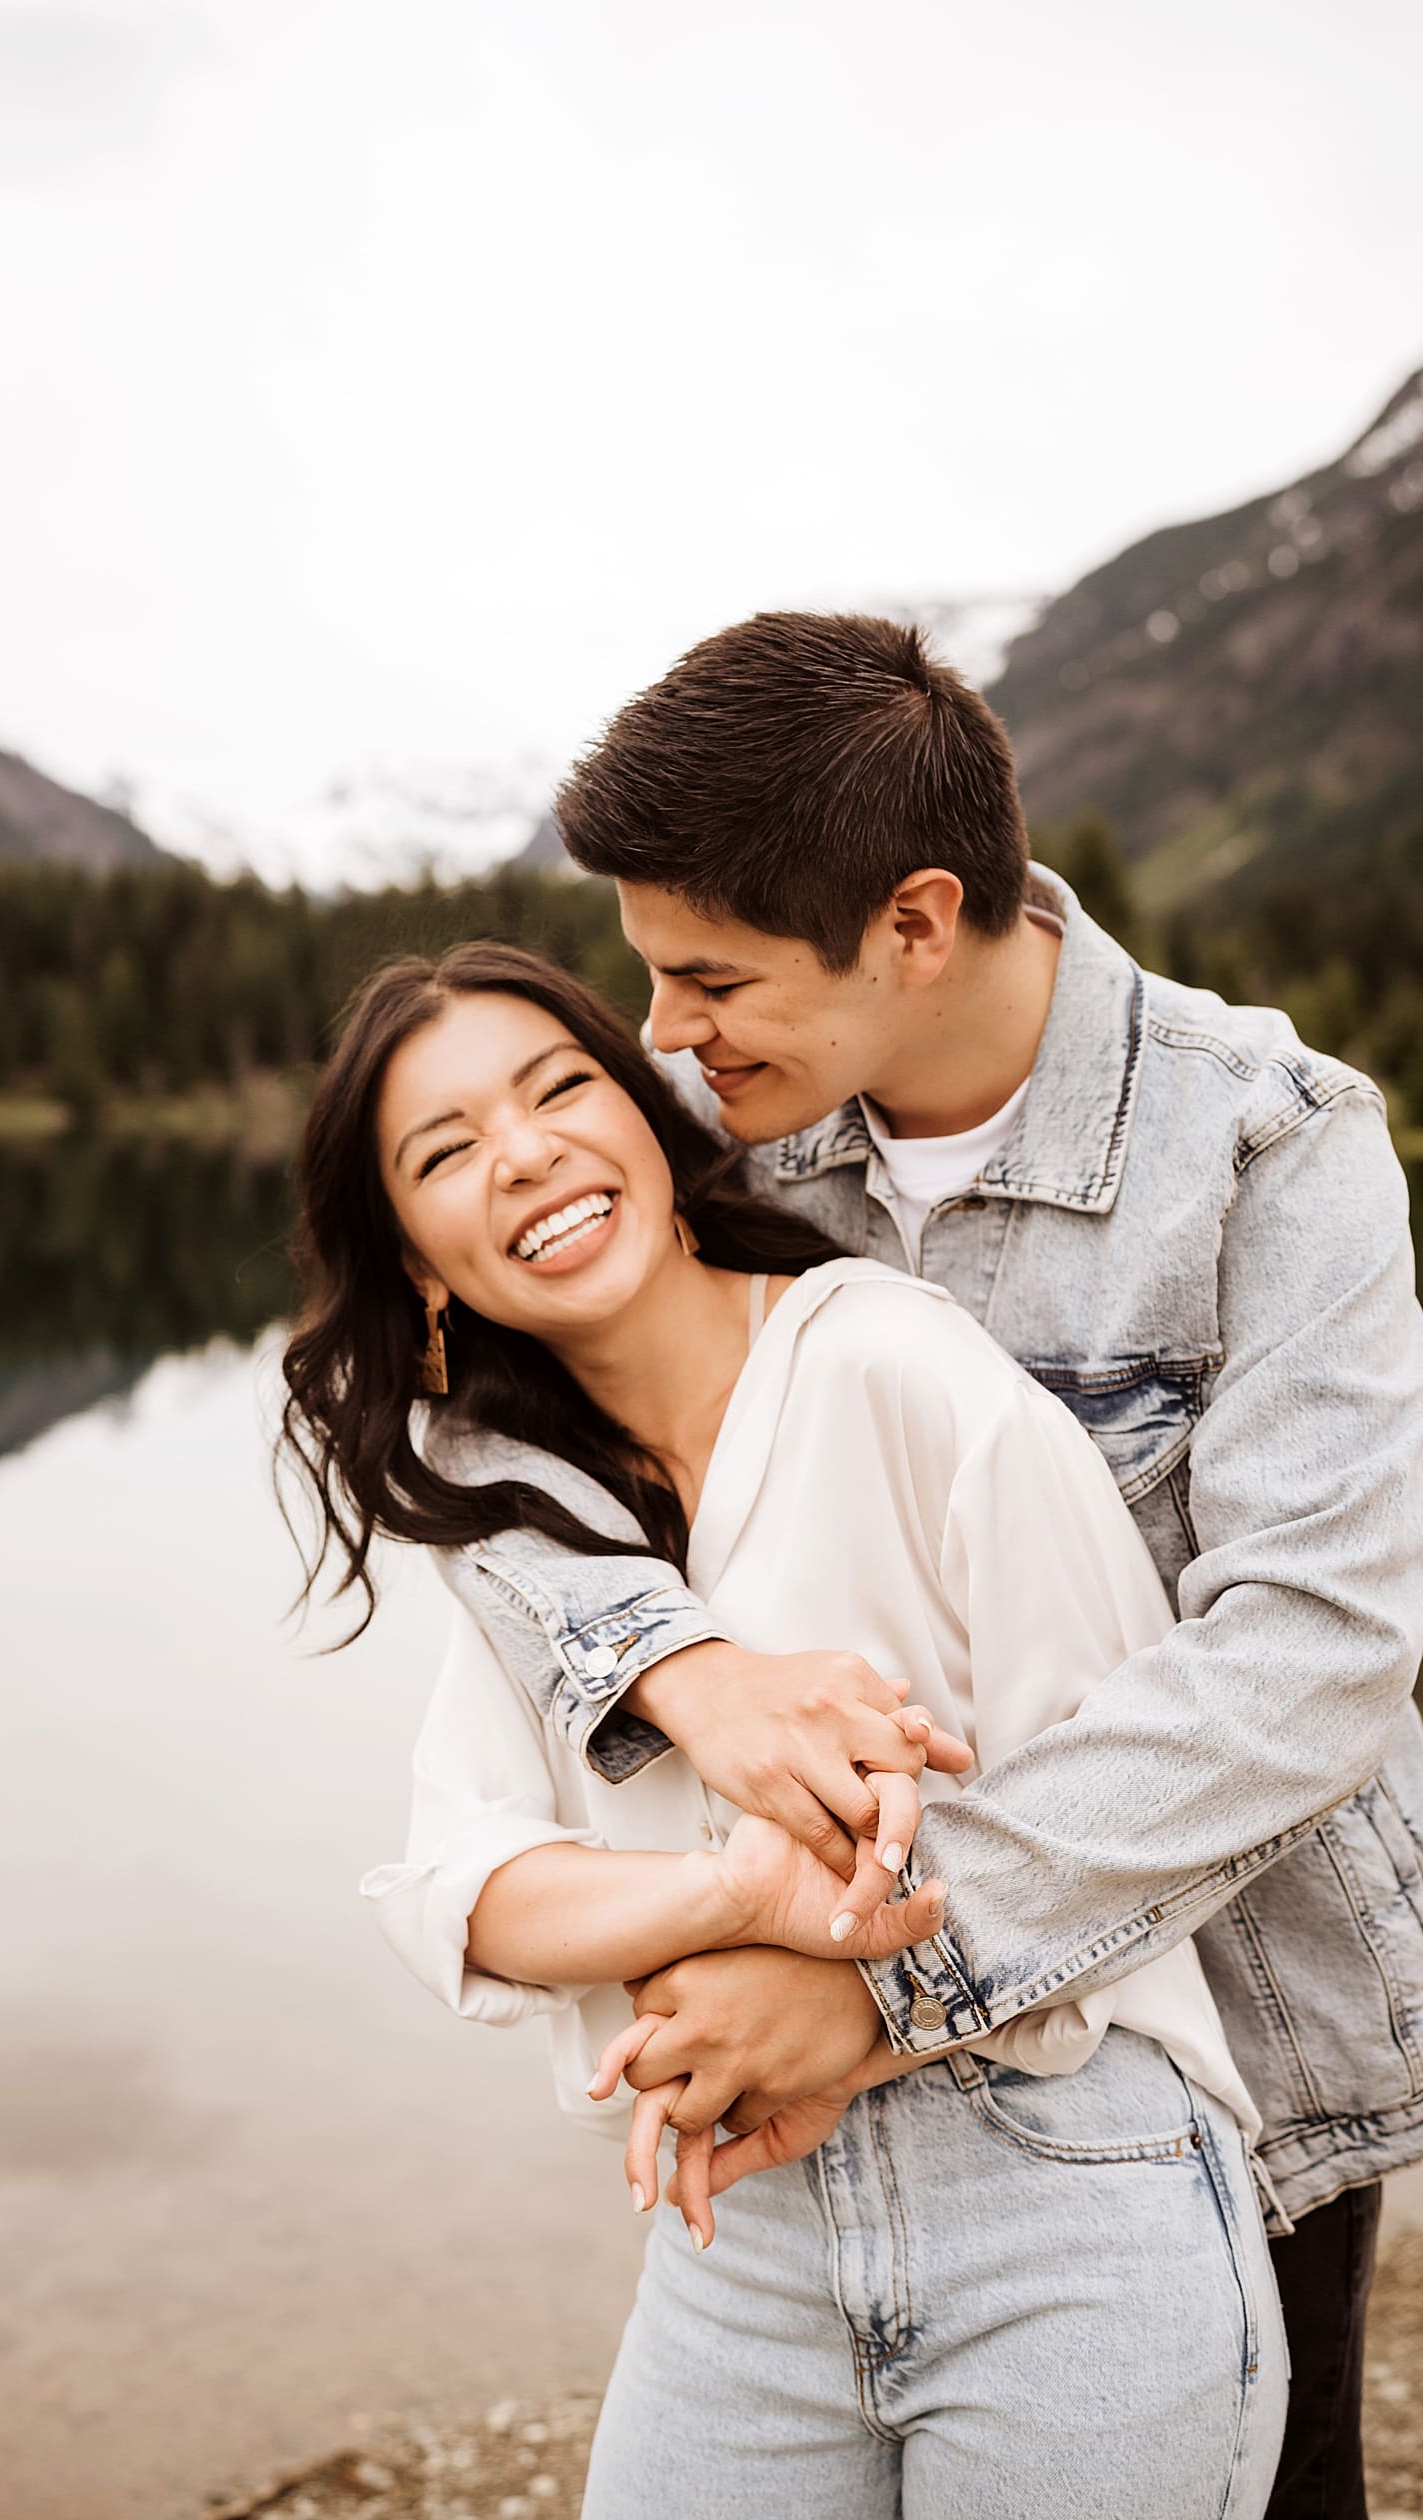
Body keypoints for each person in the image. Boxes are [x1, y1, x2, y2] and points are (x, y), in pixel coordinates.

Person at [415, 612, 1423, 2520]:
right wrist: (673, 1668)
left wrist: (875, 1974)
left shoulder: (1272, 1148)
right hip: (832, 2140)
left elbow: (1314, 1656)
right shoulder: (720, 1137)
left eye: (708, 980)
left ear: (912, 922)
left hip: (1239, 2042)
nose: (664, 1041)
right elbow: (464, 1421)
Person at [281, 941, 1285, 2519]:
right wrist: (731, 1903)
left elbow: (1135, 1811)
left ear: (652, 1126)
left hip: (1065, 2181)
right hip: (740, 2247)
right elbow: (459, 1897)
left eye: (558, 1091)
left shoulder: (887, 1366)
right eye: (447, 1149)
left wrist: (847, 1980)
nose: (524, 1154)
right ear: (416, 1259)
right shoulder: (521, 1514)